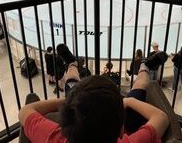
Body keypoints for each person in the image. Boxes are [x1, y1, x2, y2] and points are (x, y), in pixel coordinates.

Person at [19, 44, 169, 143]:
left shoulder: (54, 139)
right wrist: (128, 101)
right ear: (121, 130)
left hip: (81, 108)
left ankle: (71, 63)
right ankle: (145, 67)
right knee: (139, 88)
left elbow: (25, 111)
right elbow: (161, 117)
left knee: (71, 82)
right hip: (100, 111)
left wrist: (71, 101)